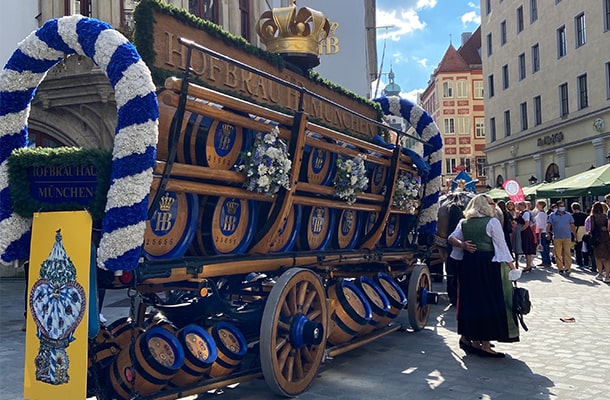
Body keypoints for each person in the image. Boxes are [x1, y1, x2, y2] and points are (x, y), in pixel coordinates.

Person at [448, 194, 519, 358]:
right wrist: (513, 268)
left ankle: (471, 339)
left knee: (472, 302)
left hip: (469, 264)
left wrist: (463, 245)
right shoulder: (492, 222)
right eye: (491, 203)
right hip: (488, 266)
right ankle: (485, 345)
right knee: (488, 302)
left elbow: (451, 238)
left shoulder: (464, 222)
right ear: (485, 206)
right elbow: (502, 247)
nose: (494, 205)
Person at [546, 200, 576, 276]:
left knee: (567, 253)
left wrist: (575, 235)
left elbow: (572, 225)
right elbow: (548, 224)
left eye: (563, 206)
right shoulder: (552, 215)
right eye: (561, 206)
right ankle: (560, 268)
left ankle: (568, 268)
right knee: (558, 254)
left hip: (567, 236)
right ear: (558, 207)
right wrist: (547, 233)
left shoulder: (568, 215)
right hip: (557, 237)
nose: (562, 207)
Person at [589, 201, 610, 282]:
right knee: (607, 258)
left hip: (597, 239)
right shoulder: (605, 216)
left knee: (598, 258)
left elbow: (592, 229)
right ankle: (607, 276)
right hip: (606, 238)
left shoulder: (593, 217)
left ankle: (600, 274)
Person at [516, 201, 536, 271]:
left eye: (518, 206)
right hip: (524, 232)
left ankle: (528, 265)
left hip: (526, 232)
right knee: (525, 249)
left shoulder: (526, 213)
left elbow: (527, 223)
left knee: (527, 249)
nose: (517, 207)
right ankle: (528, 265)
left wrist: (520, 230)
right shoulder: (521, 213)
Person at [535, 200, 551, 267]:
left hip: (541, 232)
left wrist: (539, 234)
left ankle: (545, 261)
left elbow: (541, 225)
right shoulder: (543, 213)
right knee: (544, 247)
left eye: (538, 204)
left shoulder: (541, 214)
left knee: (542, 247)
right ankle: (546, 260)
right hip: (542, 231)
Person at [571, 202, 587, 268]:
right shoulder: (585, 215)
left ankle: (579, 262)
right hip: (584, 232)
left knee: (577, 249)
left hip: (576, 232)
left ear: (572, 208)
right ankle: (586, 262)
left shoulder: (572, 216)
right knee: (585, 248)